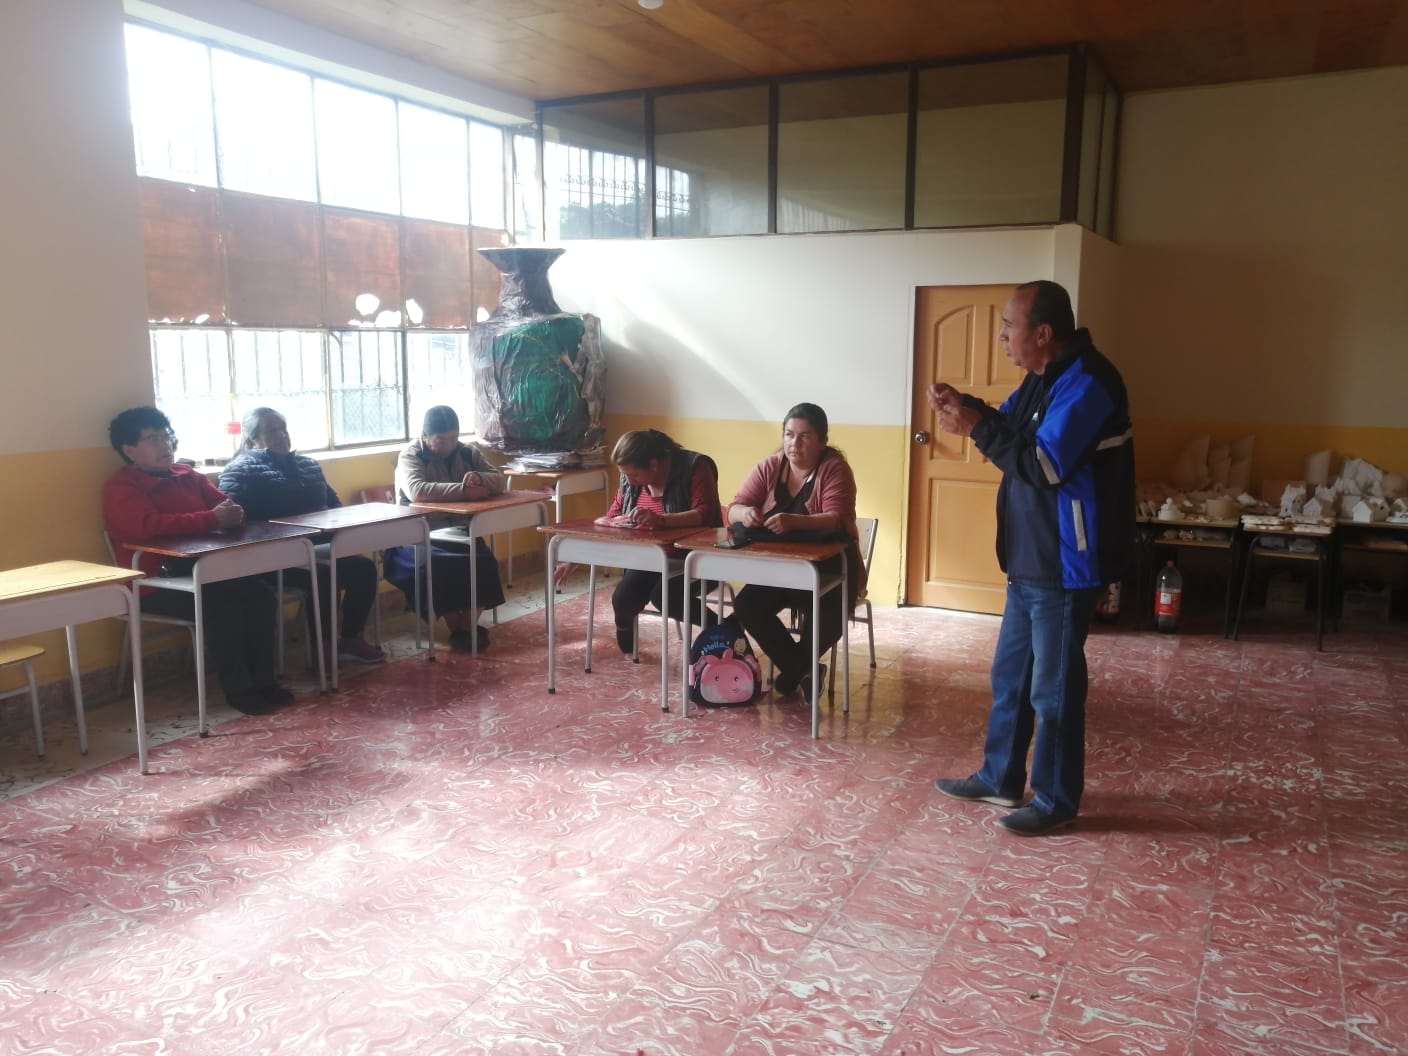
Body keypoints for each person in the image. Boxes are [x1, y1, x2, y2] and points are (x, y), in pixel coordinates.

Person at [929, 280, 1135, 837]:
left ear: (1042, 333)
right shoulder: (1043, 377)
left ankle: (1056, 798)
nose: (1002, 336)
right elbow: (1010, 427)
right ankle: (999, 776)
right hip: (1030, 557)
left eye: (1008, 326)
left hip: (1066, 562)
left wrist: (975, 427)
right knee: (1012, 678)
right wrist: (967, 408)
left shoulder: (1089, 382)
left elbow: (1044, 464)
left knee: (1054, 688)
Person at [103, 405, 291, 716]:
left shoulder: (188, 475)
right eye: (153, 439)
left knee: (259, 595)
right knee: (222, 605)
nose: (165, 445)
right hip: (155, 582)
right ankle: (240, 689)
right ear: (129, 450)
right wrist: (209, 519)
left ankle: (265, 682)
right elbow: (145, 526)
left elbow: (225, 506)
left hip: (206, 570)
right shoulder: (122, 487)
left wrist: (231, 514)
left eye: (166, 436)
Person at [219, 407, 385, 667]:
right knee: (321, 575)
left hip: (317, 546)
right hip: (272, 556)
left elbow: (335, 507)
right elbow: (233, 521)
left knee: (363, 568)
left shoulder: (309, 465)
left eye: (283, 429)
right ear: (251, 441)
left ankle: (350, 639)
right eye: (272, 430)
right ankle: (323, 648)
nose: (281, 435)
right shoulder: (239, 471)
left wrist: (337, 526)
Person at [728, 402, 866, 701]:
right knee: (747, 605)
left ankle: (794, 671)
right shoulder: (769, 466)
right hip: (780, 568)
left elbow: (837, 517)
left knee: (829, 615)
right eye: (789, 435)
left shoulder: (834, 468)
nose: (794, 443)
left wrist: (795, 521)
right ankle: (804, 671)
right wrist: (745, 513)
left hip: (831, 568)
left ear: (822, 441)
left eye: (804, 436)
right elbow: (733, 508)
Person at [590, 429, 723, 653]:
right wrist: (576, 556)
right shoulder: (630, 480)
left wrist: (662, 520)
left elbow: (705, 514)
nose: (629, 481)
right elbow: (613, 516)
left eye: (634, 474)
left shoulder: (694, 467)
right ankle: (625, 631)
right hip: (650, 557)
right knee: (623, 598)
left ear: (653, 465)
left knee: (664, 596)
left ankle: (722, 628)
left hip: (694, 557)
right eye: (625, 475)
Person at [388, 405, 506, 651]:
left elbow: (499, 481)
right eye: (440, 440)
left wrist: (479, 478)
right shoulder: (411, 455)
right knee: (437, 565)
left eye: (453, 438)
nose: (448, 445)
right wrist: (463, 491)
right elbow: (418, 491)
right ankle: (461, 630)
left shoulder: (468, 452)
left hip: (459, 533)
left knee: (483, 560)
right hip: (416, 536)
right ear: (425, 436)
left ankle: (466, 627)